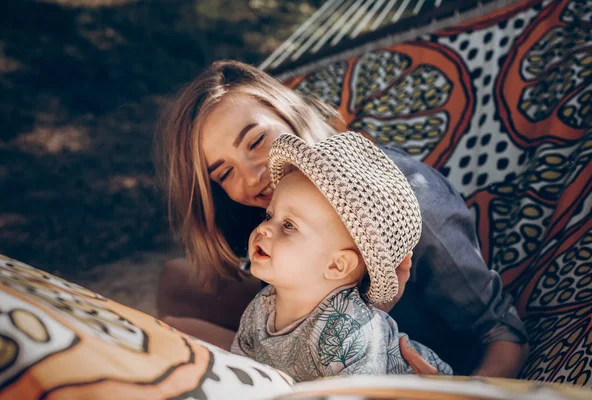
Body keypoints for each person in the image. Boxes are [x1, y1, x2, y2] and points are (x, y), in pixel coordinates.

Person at [155, 60, 529, 377]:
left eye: (255, 142)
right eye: (224, 173)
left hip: (395, 363)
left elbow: (503, 332)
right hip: (314, 328)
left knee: (173, 332)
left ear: (289, 112)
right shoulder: (267, 206)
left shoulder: (406, 197)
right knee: (175, 281)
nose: (252, 177)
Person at [231, 132, 452, 382]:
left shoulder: (349, 330)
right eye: (269, 216)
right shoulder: (261, 308)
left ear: (337, 265)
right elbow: (240, 373)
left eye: (289, 225)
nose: (264, 228)